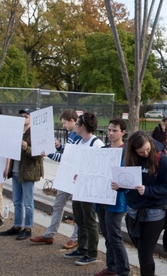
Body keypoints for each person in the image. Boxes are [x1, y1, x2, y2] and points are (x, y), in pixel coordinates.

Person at [124, 130, 167, 276]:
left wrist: (148, 190)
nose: (146, 154)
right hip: (134, 211)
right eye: (141, 152)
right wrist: (119, 185)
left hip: (155, 212)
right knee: (140, 249)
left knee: (144, 254)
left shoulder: (162, 159)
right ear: (134, 151)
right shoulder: (130, 159)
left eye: (148, 149)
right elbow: (129, 183)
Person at [30, 109, 81, 248]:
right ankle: (50, 234)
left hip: (74, 176)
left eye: (64, 123)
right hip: (67, 176)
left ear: (72, 121)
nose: (63, 126)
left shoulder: (79, 136)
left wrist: (51, 154)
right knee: (58, 205)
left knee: (75, 209)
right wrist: (59, 148)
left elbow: (69, 159)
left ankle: (74, 237)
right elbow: (67, 155)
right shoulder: (72, 134)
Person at [64, 112, 105, 266]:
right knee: (80, 219)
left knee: (89, 220)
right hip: (77, 187)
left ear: (83, 126)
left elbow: (100, 167)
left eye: (78, 124)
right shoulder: (79, 142)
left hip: (89, 188)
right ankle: (82, 248)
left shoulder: (96, 144)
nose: (76, 126)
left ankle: (92, 252)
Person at [0, 109, 44, 241]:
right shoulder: (16, 131)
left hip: (28, 172)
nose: (23, 118)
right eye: (21, 116)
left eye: (26, 116)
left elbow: (39, 155)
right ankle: (17, 225)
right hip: (16, 170)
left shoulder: (35, 133)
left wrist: (27, 148)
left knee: (28, 202)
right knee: (17, 201)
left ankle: (28, 227)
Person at [96, 118, 130, 276]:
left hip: (117, 200)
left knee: (115, 236)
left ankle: (123, 271)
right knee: (107, 235)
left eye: (114, 130)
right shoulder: (103, 149)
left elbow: (131, 177)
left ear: (123, 132)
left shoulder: (127, 152)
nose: (110, 133)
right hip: (101, 197)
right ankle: (112, 268)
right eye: (109, 130)